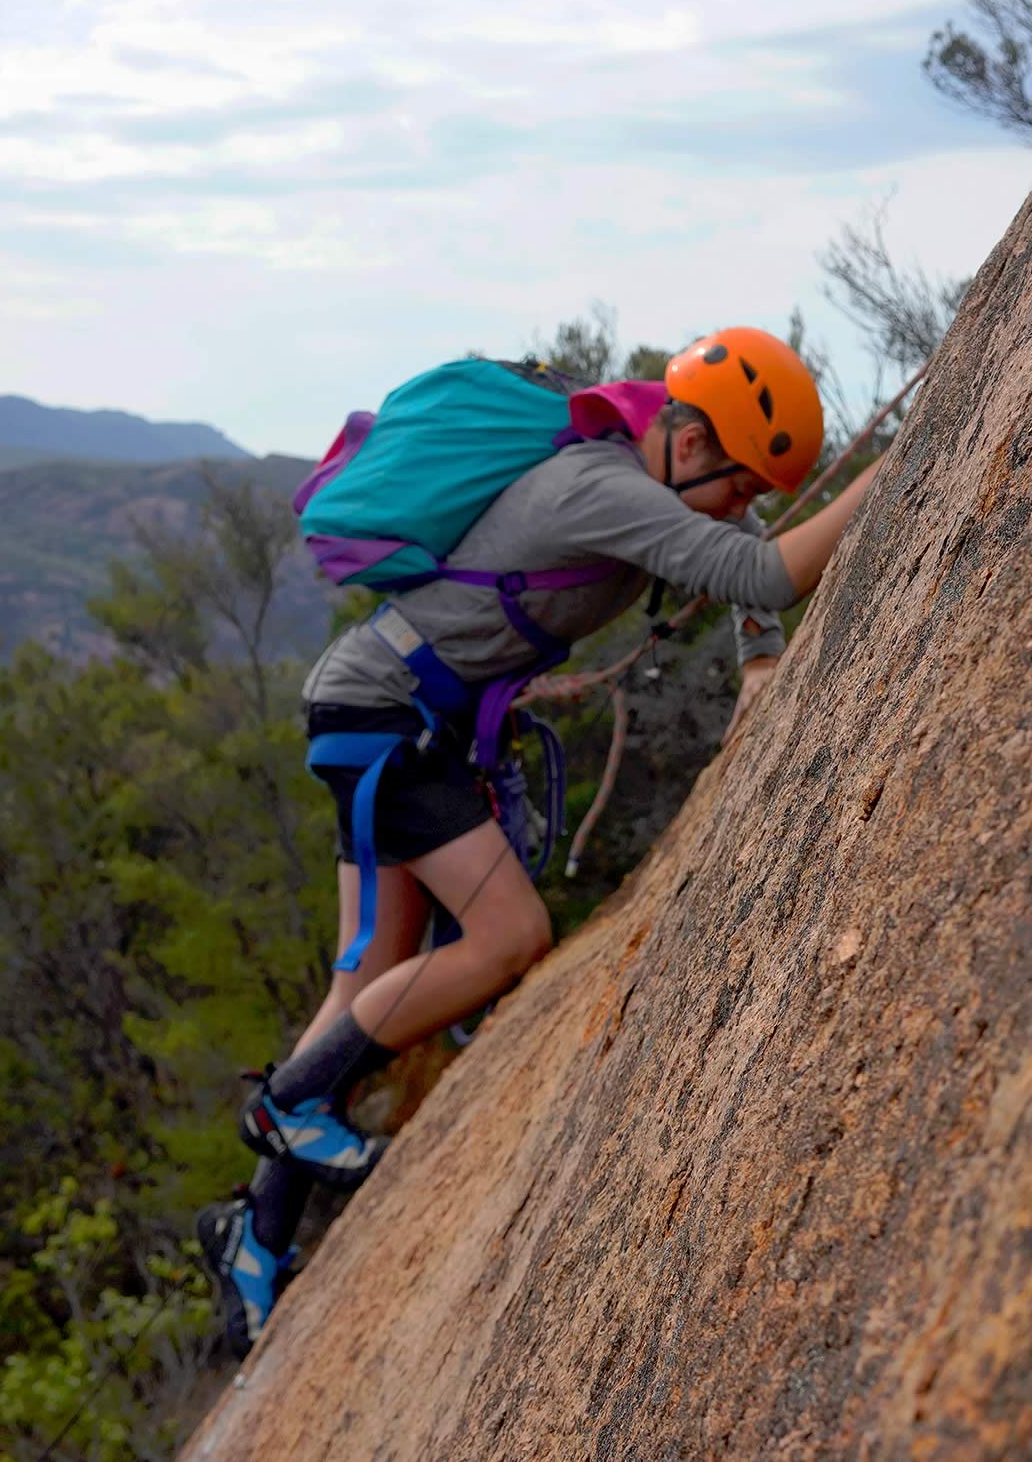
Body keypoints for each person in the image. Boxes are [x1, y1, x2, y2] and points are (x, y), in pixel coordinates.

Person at [196, 328, 885, 1352]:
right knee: (507, 937)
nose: (744, 506)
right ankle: (291, 1101)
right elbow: (765, 573)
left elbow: (741, 554)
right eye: (738, 485)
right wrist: (894, 477)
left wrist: (759, 664)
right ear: (690, 444)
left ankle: (252, 1236)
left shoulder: (640, 468)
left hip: (374, 707)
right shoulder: (597, 490)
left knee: (367, 977)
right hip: (394, 723)